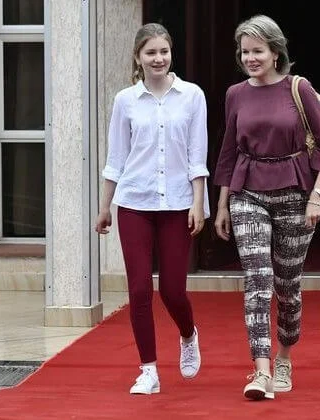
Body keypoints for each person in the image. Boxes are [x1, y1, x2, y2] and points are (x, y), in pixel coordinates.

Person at [214, 15, 320, 401]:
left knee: (286, 285)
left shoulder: (298, 88)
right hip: (247, 193)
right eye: (244, 51)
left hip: (295, 194)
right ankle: (261, 370)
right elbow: (228, 152)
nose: (250, 58)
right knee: (258, 280)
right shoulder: (236, 94)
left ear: (275, 52)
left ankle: (285, 355)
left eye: (257, 51)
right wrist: (222, 205)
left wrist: (317, 195)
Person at [94, 23, 210, 395]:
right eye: (151, 53)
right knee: (140, 289)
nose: (158, 59)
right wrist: (104, 207)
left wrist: (198, 203)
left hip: (178, 204)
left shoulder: (192, 96)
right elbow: (116, 157)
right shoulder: (126, 101)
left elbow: (197, 156)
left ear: (170, 54)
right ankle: (148, 370)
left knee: (172, 291)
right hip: (134, 203)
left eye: (164, 51)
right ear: (138, 57)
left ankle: (188, 333)